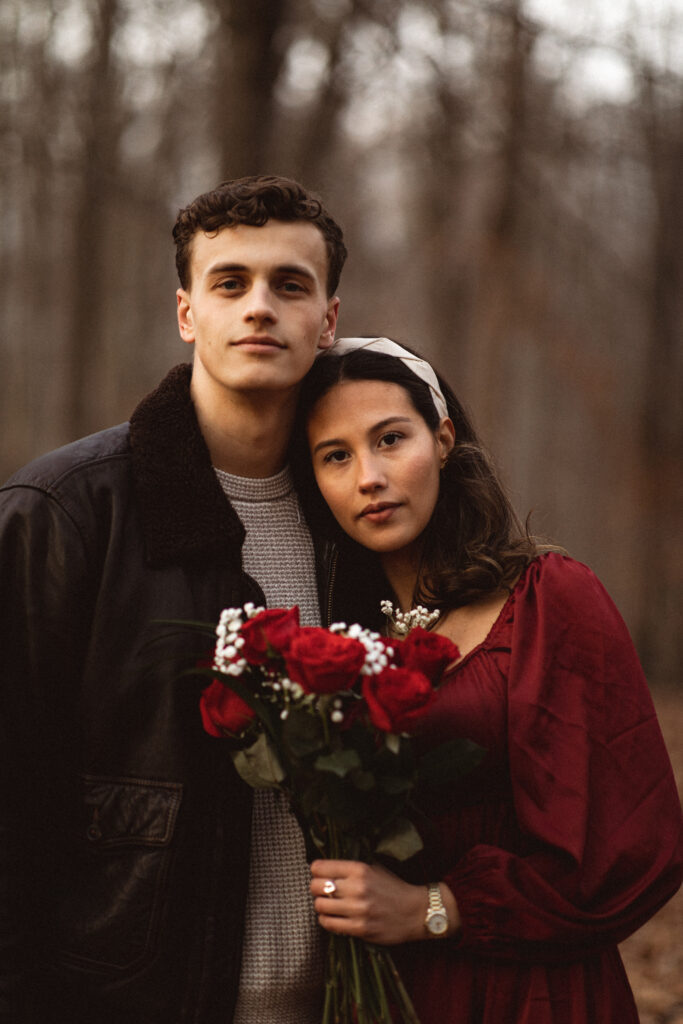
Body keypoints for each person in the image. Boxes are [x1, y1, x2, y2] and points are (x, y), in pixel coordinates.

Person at [0, 175, 346, 1023]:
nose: (259, 307)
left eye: (289, 285)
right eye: (230, 283)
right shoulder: (66, 513)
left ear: (328, 320)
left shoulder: (361, 524)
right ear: (187, 313)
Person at [292, 336, 683, 1024]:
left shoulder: (546, 600)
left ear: (442, 439)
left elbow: (631, 846)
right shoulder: (329, 645)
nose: (368, 477)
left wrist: (432, 909)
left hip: (529, 993)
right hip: (377, 994)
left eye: (390, 439)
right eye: (336, 456)